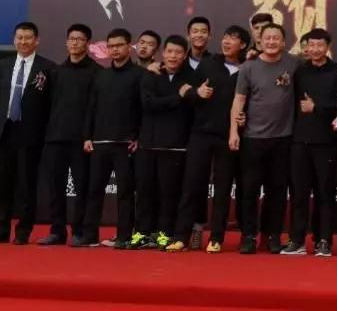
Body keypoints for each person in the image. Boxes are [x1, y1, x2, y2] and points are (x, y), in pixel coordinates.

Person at [166, 26, 250, 253]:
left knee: (222, 188)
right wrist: (197, 93)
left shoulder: (248, 68)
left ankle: (217, 238)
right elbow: (185, 87)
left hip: (228, 136)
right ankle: (181, 236)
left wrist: (245, 117)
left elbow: (252, 99)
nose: (227, 42)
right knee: (192, 185)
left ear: (243, 45)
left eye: (233, 39)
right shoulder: (208, 63)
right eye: (225, 37)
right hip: (201, 134)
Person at [229, 23, 298, 255]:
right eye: (267, 38)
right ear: (260, 40)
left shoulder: (293, 63)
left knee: (276, 190)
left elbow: (318, 64)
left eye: (276, 38)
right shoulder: (249, 67)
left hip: (283, 138)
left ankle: (273, 235)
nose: (271, 42)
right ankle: (249, 235)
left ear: (283, 42)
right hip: (252, 138)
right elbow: (239, 100)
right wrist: (233, 132)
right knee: (249, 190)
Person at [0, 22, 55, 245]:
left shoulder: (47, 68)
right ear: (14, 40)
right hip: (4, 131)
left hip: (30, 134)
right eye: (19, 38)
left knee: (26, 184)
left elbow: (50, 105)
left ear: (37, 40)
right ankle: (1, 229)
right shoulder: (3, 65)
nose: (23, 42)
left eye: (28, 38)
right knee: (3, 184)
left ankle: (23, 231)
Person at [74, 28, 145, 248]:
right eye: (111, 46)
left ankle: (124, 236)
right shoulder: (101, 75)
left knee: (125, 193)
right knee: (94, 190)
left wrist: (138, 136)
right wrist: (87, 136)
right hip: (99, 143)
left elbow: (144, 109)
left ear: (129, 46)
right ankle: (89, 235)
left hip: (126, 145)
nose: (115, 49)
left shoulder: (140, 75)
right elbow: (90, 108)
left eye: (119, 45)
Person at [127, 35, 195, 250]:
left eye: (178, 52)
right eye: (170, 51)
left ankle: (165, 233)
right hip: (147, 144)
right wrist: (178, 98)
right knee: (144, 191)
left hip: (175, 146)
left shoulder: (191, 78)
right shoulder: (151, 74)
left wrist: (178, 99)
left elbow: (190, 109)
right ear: (163, 53)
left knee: (168, 193)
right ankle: (141, 232)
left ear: (184, 55)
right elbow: (148, 104)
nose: (173, 56)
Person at [38, 24, 101, 246]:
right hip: (55, 138)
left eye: (80, 39)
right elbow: (47, 105)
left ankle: (79, 231)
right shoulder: (55, 72)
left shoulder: (97, 73)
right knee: (55, 187)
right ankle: (57, 231)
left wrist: (90, 135)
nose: (75, 43)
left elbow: (97, 109)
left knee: (82, 187)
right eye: (71, 39)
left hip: (82, 141)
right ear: (66, 42)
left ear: (88, 43)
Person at [281, 28, 337, 257]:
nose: (315, 49)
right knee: (299, 193)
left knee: (325, 193)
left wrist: (316, 108)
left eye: (320, 45)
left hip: (326, 141)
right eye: (311, 45)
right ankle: (296, 240)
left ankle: (323, 240)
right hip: (299, 140)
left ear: (327, 47)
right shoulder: (300, 71)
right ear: (305, 47)